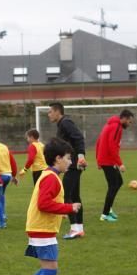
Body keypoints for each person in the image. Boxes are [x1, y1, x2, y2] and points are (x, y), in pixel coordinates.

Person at [16, 138, 81, 275]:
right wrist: (68, 208)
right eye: (68, 158)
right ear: (58, 158)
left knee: (46, 268)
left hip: (39, 227)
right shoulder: (51, 178)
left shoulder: (47, 175)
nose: (70, 162)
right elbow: (44, 204)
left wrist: (61, 211)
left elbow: (47, 203)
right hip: (42, 229)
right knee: (51, 270)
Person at [48, 102, 87, 239]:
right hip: (73, 163)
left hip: (73, 164)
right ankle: (79, 228)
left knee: (66, 194)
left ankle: (74, 228)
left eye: (50, 112)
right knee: (75, 195)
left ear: (58, 112)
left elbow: (79, 137)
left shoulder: (66, 122)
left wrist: (81, 156)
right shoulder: (62, 124)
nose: (49, 114)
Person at [95, 109, 132, 222]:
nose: (130, 124)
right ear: (124, 119)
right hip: (108, 160)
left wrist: (98, 159)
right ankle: (105, 214)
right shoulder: (117, 127)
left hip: (105, 160)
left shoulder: (109, 125)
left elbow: (99, 141)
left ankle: (109, 209)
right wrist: (120, 163)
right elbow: (112, 146)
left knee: (118, 183)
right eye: (130, 122)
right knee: (113, 185)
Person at [0, 139, 18, 228]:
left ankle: (2, 223)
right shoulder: (4, 146)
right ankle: (3, 215)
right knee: (1, 194)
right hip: (8, 175)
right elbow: (13, 162)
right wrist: (14, 176)